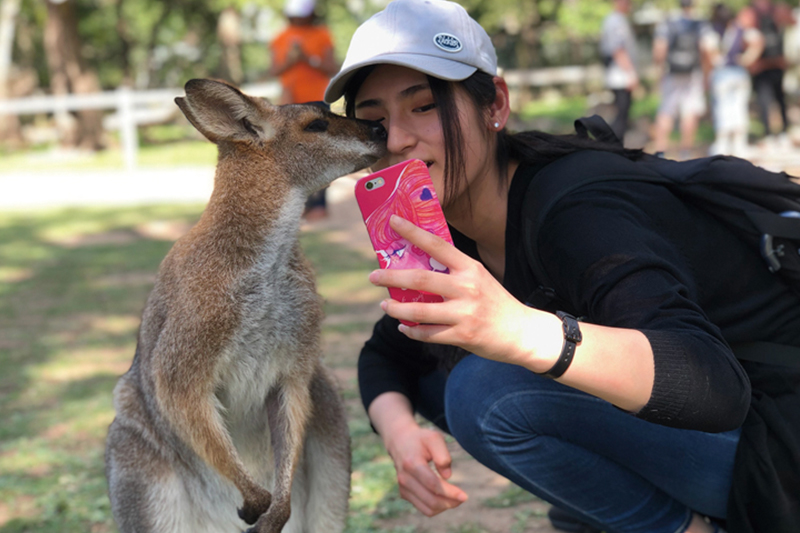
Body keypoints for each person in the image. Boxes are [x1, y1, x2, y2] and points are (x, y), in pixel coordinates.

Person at [323, 0, 800, 532]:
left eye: (424, 106)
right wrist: (400, 435)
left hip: (777, 441)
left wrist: (524, 331)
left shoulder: (577, 210)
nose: (396, 139)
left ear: (494, 105)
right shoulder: (452, 232)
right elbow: (387, 352)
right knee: (448, 360)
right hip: (715, 440)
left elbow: (714, 385)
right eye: (372, 123)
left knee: (484, 389)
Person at [269, 0, 339, 220]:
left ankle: (319, 204)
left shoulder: (321, 35)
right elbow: (274, 70)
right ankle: (300, 203)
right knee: (293, 153)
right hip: (290, 103)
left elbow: (332, 68)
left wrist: (309, 59)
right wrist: (291, 60)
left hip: (317, 101)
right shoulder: (280, 38)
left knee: (320, 151)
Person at [651, 0, 715, 159]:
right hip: (693, 73)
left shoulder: (668, 22)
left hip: (672, 72)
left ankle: (660, 151)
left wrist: (659, 69)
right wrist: (707, 74)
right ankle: (685, 151)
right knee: (690, 112)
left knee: (666, 110)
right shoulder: (700, 23)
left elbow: (660, 48)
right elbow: (707, 49)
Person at [707, 4, 764, 156]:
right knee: (739, 108)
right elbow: (758, 41)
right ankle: (739, 144)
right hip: (738, 74)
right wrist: (747, 58)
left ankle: (723, 144)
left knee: (723, 109)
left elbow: (708, 52)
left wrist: (746, 58)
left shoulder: (712, 31)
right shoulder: (740, 29)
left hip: (723, 74)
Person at [749, 0, 795, 148]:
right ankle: (768, 133)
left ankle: (783, 132)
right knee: (764, 102)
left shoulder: (778, 11)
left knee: (780, 100)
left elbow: (792, 22)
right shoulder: (751, 14)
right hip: (762, 68)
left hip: (776, 67)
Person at [600, 0, 640, 143]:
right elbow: (618, 50)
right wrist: (631, 74)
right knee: (621, 116)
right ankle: (613, 147)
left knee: (623, 115)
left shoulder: (619, 20)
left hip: (620, 74)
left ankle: (615, 147)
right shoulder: (615, 21)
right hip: (620, 75)